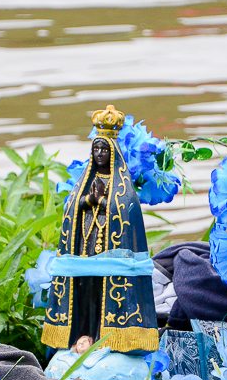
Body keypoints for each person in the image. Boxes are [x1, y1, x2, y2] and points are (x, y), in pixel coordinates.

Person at [40, 105, 159, 353]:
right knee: (85, 295)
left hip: (111, 252)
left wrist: (103, 202)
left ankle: (107, 337)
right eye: (96, 149)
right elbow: (73, 207)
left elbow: (126, 211)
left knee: (104, 294)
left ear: (113, 152)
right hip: (85, 249)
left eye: (104, 149)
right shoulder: (87, 180)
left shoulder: (122, 186)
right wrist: (89, 200)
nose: (100, 153)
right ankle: (83, 334)